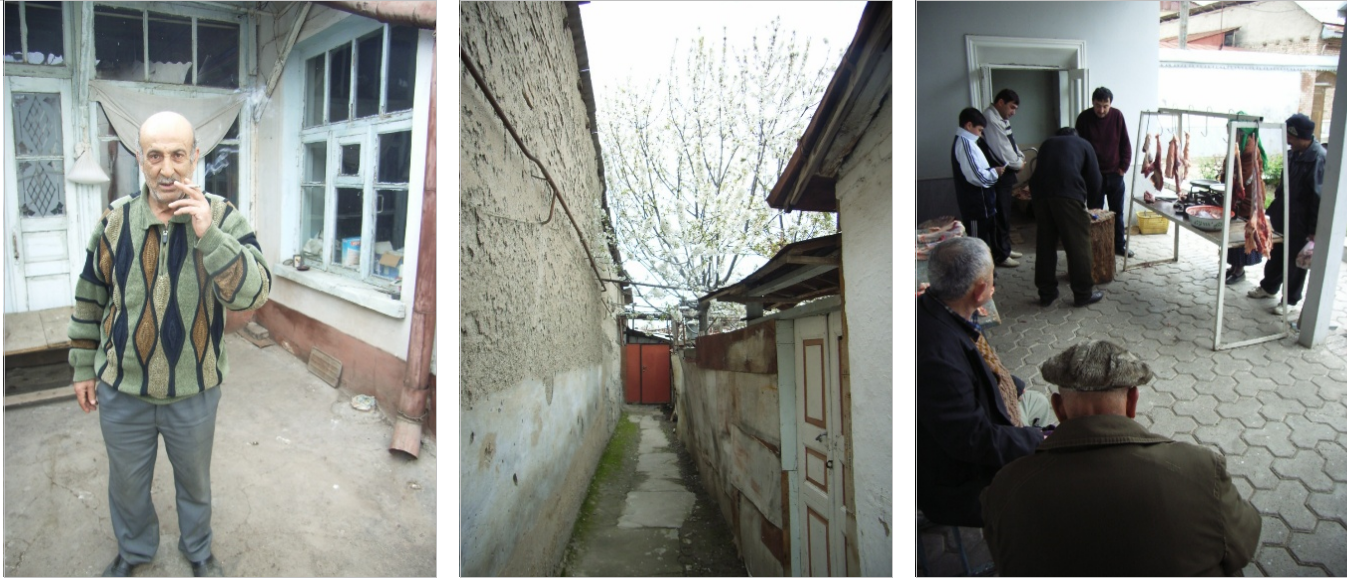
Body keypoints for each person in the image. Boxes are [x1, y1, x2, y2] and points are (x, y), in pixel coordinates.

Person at [67, 111, 271, 577]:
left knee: (195, 484)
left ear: (195, 157)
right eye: (154, 155)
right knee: (127, 485)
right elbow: (90, 296)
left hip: (194, 390)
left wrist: (209, 235)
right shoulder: (115, 220)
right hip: (123, 390)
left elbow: (256, 291)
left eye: (178, 154)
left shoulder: (222, 217)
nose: (167, 168)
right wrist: (82, 366)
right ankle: (135, 551)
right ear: (140, 160)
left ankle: (198, 551)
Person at [980, 340, 1261, 576]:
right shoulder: (1200, 470)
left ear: (1058, 409)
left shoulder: (1007, 487)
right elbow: (1245, 543)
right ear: (1132, 402)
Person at [917, 236, 1053, 527]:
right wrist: (1035, 440)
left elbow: (973, 367)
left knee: (1037, 401)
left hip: (972, 432)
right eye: (992, 280)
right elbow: (972, 438)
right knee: (1053, 473)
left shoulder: (935, 307)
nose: (994, 286)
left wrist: (1009, 382)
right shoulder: (936, 356)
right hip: (960, 482)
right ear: (980, 292)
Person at [1248, 113, 1324, 316]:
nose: (1287, 141)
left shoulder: (1318, 159)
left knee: (1295, 263)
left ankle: (1290, 301)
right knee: (1276, 254)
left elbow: (1319, 197)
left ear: (1302, 136)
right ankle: (1269, 288)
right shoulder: (1293, 154)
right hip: (1284, 215)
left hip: (1302, 222)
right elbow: (1283, 188)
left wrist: (1314, 230)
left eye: (1290, 137)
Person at [1028, 127, 1104, 307]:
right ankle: (1083, 293)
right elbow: (1095, 178)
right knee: (1078, 245)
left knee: (1045, 244)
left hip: (1039, 196)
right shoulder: (1084, 144)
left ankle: (1046, 293)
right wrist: (1094, 207)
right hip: (1067, 195)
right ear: (1076, 136)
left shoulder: (1047, 144)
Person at [951, 107, 1018, 268]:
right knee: (977, 245)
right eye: (979, 130)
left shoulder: (969, 142)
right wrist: (995, 173)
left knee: (985, 242)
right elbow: (977, 177)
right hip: (975, 206)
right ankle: (979, 277)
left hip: (984, 204)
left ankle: (988, 274)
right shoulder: (965, 144)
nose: (981, 134)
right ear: (968, 126)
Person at [1075, 87, 1134, 258]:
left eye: (1105, 106)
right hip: (1093, 176)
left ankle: (1119, 246)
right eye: (1098, 105)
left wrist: (1123, 168)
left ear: (1110, 104)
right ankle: (1095, 247)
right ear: (1092, 103)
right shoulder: (1084, 118)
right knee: (1094, 214)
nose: (1101, 110)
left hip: (1115, 174)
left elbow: (1125, 144)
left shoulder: (1117, 116)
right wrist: (1083, 172)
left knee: (1117, 213)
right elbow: (1078, 147)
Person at [982, 89, 1026, 264]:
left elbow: (1010, 143)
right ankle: (1001, 254)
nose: (1013, 112)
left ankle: (1005, 248)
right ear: (1000, 102)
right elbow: (1002, 150)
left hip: (1006, 172)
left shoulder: (1000, 118)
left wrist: (1020, 158)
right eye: (1011, 107)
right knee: (1000, 214)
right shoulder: (991, 119)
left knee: (1006, 213)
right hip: (1000, 173)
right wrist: (1017, 163)